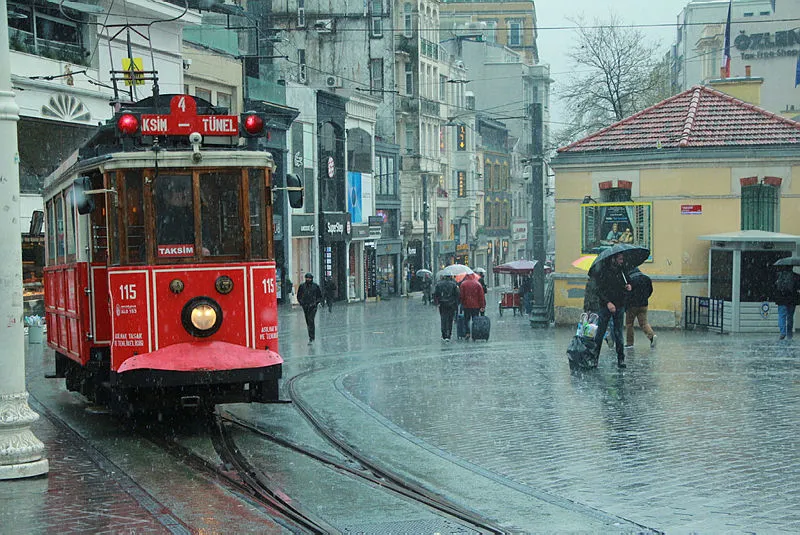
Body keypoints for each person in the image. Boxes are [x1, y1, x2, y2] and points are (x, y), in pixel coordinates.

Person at [592, 253, 631, 368]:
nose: (621, 261)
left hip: (619, 305)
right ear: (613, 259)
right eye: (619, 259)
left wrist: (629, 287)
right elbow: (598, 290)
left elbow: (627, 283)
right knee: (600, 333)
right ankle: (594, 359)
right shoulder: (603, 272)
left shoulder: (622, 271)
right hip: (605, 306)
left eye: (622, 259)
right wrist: (608, 302)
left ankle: (621, 359)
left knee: (619, 333)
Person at [624, 268, 656, 348]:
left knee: (629, 324)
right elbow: (650, 290)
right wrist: (645, 298)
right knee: (644, 323)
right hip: (644, 304)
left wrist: (625, 304)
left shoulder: (629, 280)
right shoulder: (646, 278)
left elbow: (627, 293)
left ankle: (630, 343)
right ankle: (652, 336)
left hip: (632, 305)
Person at [296, 273, 323, 344]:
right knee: (308, 321)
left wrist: (315, 303)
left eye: (309, 278)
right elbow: (299, 295)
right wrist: (302, 303)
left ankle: (312, 337)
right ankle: (310, 336)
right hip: (305, 306)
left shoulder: (315, 286)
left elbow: (319, 296)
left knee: (311, 320)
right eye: (307, 278)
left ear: (311, 279)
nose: (308, 279)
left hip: (313, 306)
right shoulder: (302, 286)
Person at [775, 267, 800, 340]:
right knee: (790, 317)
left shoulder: (778, 276)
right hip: (792, 300)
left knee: (781, 316)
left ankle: (782, 333)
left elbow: (775, 287)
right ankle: (789, 334)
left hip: (781, 299)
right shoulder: (796, 276)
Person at [433, 274, 460, 341]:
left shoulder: (439, 284)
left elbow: (435, 294)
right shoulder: (454, 284)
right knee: (450, 320)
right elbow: (457, 294)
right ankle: (449, 334)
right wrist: (456, 303)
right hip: (451, 304)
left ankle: (444, 334)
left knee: (443, 319)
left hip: (442, 304)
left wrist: (437, 302)